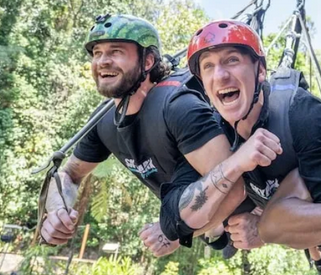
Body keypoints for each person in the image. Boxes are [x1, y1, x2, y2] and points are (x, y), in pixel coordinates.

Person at [161, 20, 321, 274]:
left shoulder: (300, 111)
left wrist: (265, 229)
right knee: (276, 222)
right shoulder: (214, 133)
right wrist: (235, 162)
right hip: (294, 216)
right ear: (204, 85)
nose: (220, 75)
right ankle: (315, 249)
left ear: (260, 71)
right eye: (208, 66)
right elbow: (173, 219)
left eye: (232, 60)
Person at [38, 14, 245, 257]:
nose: (103, 61)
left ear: (147, 61)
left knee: (225, 226)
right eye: (97, 53)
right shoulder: (103, 120)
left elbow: (235, 188)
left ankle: (217, 232)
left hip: (235, 209)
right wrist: (57, 210)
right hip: (187, 208)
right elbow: (68, 175)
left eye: (115, 52)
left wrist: (174, 233)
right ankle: (214, 232)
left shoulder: (179, 106)